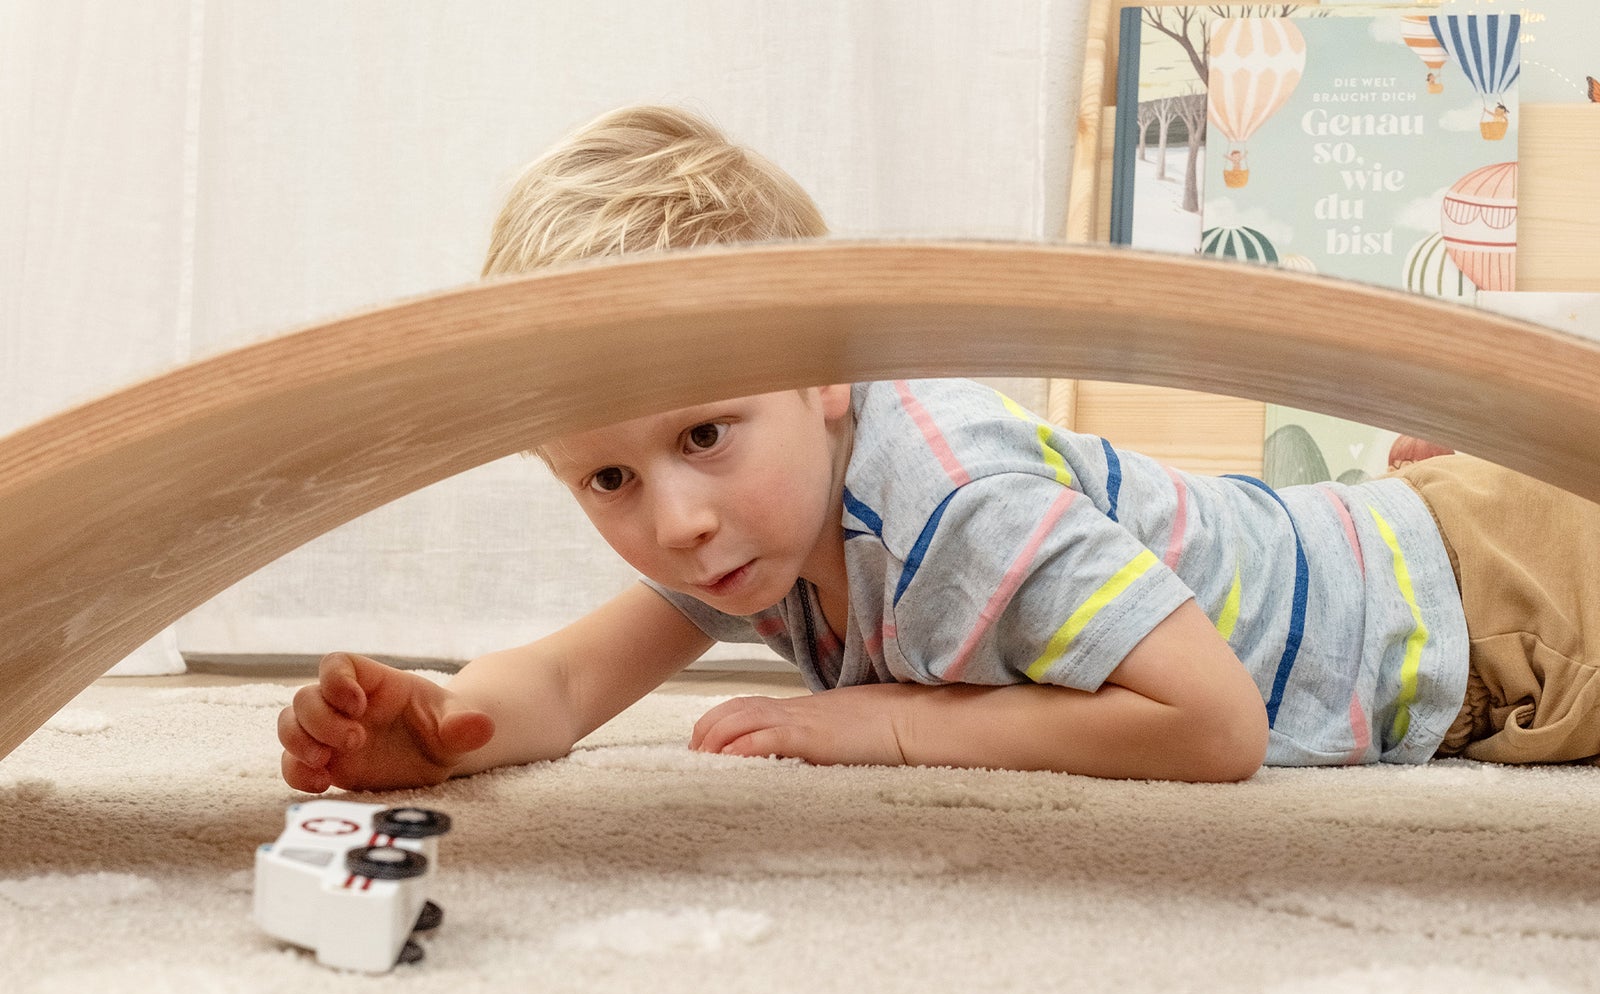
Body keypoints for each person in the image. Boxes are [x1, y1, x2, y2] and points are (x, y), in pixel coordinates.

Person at [276, 105, 1600, 793]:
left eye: (700, 436)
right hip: (1433, 549)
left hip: (1499, 605)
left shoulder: (952, 504)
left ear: (827, 375)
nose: (672, 518)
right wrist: (442, 728)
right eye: (608, 478)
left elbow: (1214, 726)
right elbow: (566, 687)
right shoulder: (754, 514)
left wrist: (900, 725)